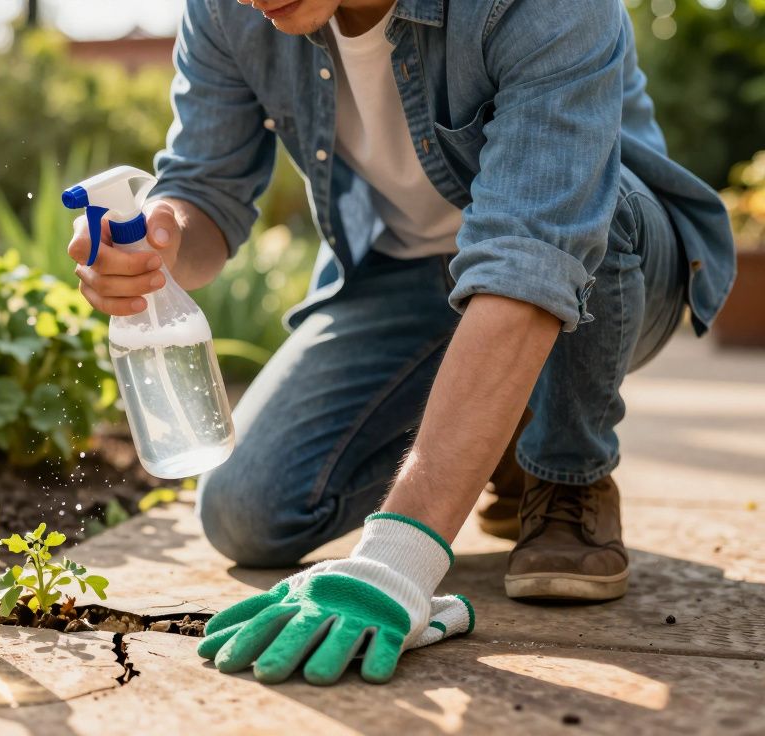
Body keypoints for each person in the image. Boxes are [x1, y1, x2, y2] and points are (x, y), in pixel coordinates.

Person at [64, 0, 735, 685]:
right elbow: (205, 188)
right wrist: (160, 238)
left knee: (599, 205)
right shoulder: (227, 11)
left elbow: (534, 256)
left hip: (600, 259)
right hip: (405, 276)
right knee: (248, 513)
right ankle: (500, 430)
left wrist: (398, 558)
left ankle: (568, 472)